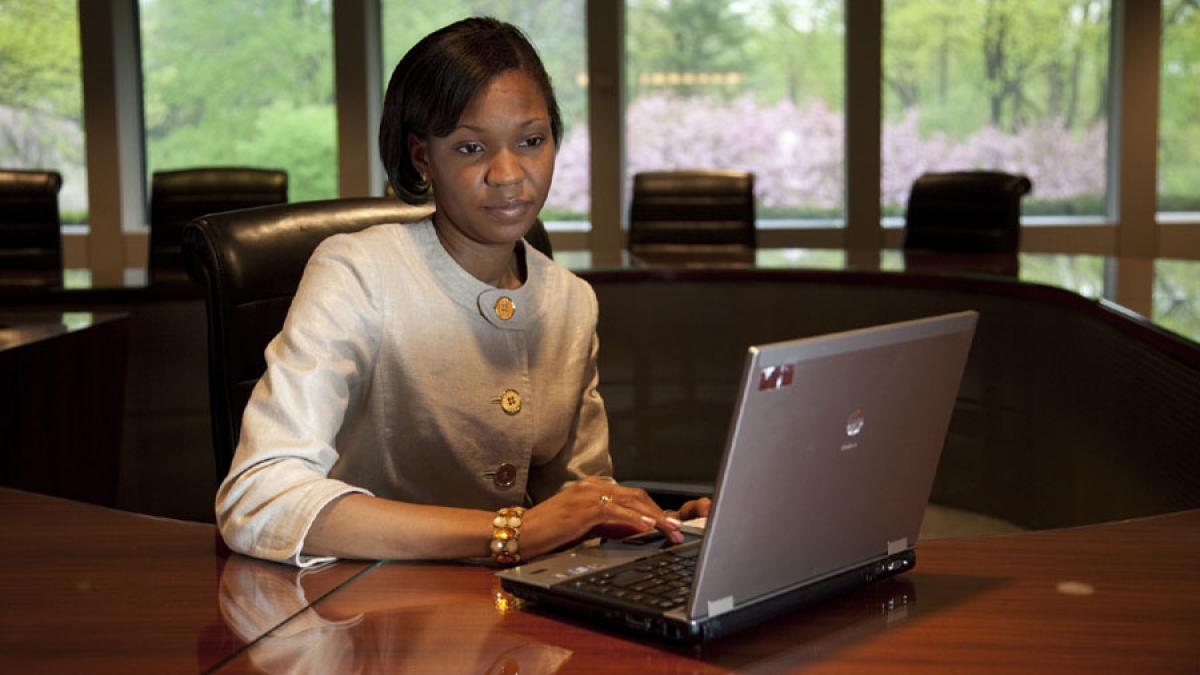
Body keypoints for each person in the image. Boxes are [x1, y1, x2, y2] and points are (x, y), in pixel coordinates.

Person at [215, 17, 709, 568]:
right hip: (359, 619)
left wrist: (653, 529)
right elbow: (259, 498)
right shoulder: (358, 272)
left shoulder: (571, 300)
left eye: (531, 141)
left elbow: (575, 508)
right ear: (423, 157)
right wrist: (509, 531)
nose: (509, 175)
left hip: (510, 624)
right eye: (471, 147)